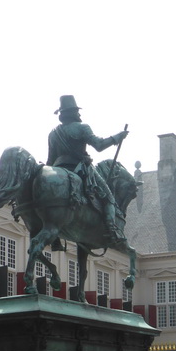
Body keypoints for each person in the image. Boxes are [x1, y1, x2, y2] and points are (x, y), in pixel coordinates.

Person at [46, 95, 129, 243]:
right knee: (108, 197)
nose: (79, 114)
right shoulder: (82, 127)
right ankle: (112, 230)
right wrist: (117, 137)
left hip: (57, 169)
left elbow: (50, 160)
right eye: (77, 111)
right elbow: (99, 145)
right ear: (74, 112)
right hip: (79, 168)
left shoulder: (53, 133)